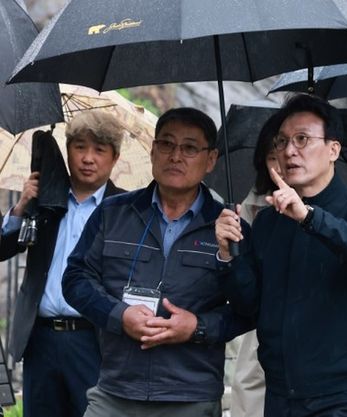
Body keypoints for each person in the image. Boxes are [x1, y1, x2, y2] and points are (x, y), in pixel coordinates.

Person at [62, 107, 250, 417]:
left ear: (211, 159)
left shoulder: (229, 227)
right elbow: (75, 279)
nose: (175, 156)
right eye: (166, 144)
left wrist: (197, 327)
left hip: (190, 396)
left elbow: (249, 308)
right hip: (116, 391)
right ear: (152, 151)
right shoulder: (113, 213)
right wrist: (120, 315)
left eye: (190, 148)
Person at [215, 94, 347, 417]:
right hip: (282, 389)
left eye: (302, 139)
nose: (288, 151)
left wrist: (309, 217)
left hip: (344, 391)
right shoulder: (268, 222)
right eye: (282, 141)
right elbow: (250, 305)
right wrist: (230, 255)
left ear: (333, 149)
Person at [0, 110, 124, 417]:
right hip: (40, 338)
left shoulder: (125, 209)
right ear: (67, 151)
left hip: (93, 341)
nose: (88, 158)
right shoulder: (45, 202)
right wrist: (22, 206)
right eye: (80, 147)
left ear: (115, 157)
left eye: (99, 150)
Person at [230, 114, 280, 417]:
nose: (280, 164)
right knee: (249, 378)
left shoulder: (320, 204)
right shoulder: (252, 201)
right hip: (262, 308)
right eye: (271, 157)